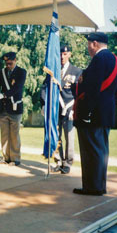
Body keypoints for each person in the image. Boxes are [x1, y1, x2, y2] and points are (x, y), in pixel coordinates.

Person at [73, 32, 117, 196]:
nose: (88, 48)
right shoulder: (114, 60)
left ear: (94, 43)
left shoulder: (99, 59)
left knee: (91, 152)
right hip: (105, 113)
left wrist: (85, 112)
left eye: (88, 44)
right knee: (101, 151)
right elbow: (115, 91)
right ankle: (99, 185)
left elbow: (93, 89)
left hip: (93, 114)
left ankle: (93, 187)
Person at [40, 45, 82, 174]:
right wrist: (44, 105)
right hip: (55, 109)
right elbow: (44, 89)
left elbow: (80, 92)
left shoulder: (77, 71)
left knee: (69, 137)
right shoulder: (53, 71)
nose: (62, 57)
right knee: (56, 136)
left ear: (69, 54)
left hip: (69, 109)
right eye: (61, 54)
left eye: (65, 54)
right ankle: (58, 161)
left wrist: (75, 109)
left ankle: (68, 163)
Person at [0, 52, 26, 166]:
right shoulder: (2, 73)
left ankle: (15, 158)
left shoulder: (21, 72)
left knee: (14, 135)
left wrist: (3, 95)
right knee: (4, 134)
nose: (8, 66)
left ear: (15, 60)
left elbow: (17, 88)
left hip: (15, 107)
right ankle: (6, 157)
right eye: (6, 63)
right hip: (4, 107)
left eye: (10, 63)